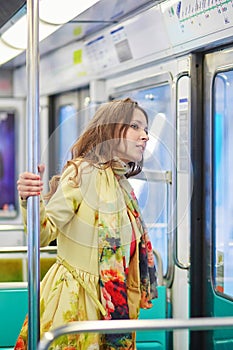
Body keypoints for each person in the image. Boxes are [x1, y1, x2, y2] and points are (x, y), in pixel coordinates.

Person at [15, 98, 158, 350]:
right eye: (135, 126)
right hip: (76, 299)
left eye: (145, 129)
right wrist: (30, 200)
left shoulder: (121, 182)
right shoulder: (83, 172)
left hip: (112, 299)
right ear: (110, 129)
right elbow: (43, 234)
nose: (145, 136)